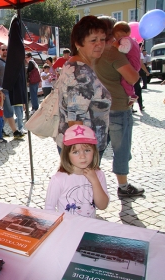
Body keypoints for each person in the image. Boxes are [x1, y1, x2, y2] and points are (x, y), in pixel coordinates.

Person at [95, 15, 145, 198]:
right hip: (117, 105)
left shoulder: (94, 51)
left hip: (99, 107)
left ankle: (90, 185)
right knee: (121, 149)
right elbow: (133, 78)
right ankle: (123, 188)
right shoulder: (113, 52)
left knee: (98, 149)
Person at [56, 16, 111, 158]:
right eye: (93, 40)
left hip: (84, 147)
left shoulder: (77, 65)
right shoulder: (80, 73)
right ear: (78, 44)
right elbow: (75, 121)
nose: (99, 44)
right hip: (84, 150)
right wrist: (82, 158)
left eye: (102, 39)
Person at [45, 124, 109, 218]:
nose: (82, 156)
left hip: (89, 227)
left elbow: (102, 205)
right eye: (75, 152)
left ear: (94, 151)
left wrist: (95, 181)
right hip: (67, 229)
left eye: (87, 150)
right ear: (67, 155)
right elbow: (49, 208)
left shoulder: (98, 175)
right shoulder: (59, 179)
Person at [0, 45, 25, 138]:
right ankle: (15, 131)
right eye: (3, 49)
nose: (5, 51)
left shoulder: (9, 62)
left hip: (10, 90)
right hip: (3, 90)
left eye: (7, 49)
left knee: (6, 113)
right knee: (9, 111)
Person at [112, 21, 141, 105]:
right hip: (135, 62)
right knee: (127, 80)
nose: (118, 38)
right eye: (116, 36)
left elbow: (125, 49)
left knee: (124, 81)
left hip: (132, 63)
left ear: (127, 33)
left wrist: (117, 46)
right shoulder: (133, 40)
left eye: (119, 35)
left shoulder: (125, 40)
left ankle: (132, 95)